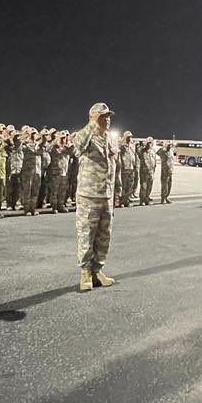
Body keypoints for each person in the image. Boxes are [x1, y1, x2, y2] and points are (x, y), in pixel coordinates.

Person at [73, 102, 119, 292]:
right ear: (93, 117)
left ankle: (97, 271)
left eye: (108, 117)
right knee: (87, 235)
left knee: (103, 236)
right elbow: (77, 145)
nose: (107, 120)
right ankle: (85, 272)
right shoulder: (85, 137)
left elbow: (114, 166)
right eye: (102, 117)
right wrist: (92, 123)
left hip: (106, 195)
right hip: (89, 195)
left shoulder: (111, 139)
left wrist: (116, 191)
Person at [20, 127, 44, 216]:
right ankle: (27, 209)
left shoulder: (38, 145)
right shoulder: (24, 144)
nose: (34, 135)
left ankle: (33, 208)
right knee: (27, 190)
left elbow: (41, 153)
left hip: (37, 170)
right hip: (28, 170)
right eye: (32, 134)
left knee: (35, 190)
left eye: (35, 134)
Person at [49, 131, 72, 213]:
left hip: (65, 173)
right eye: (61, 138)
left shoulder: (67, 149)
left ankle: (61, 205)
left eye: (64, 138)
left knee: (62, 191)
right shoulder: (54, 148)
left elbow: (75, 152)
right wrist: (54, 142)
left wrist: (70, 142)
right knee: (54, 191)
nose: (63, 140)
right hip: (56, 173)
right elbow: (47, 149)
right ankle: (54, 207)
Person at [6, 127, 24, 210]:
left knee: (17, 188)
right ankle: (9, 204)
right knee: (9, 187)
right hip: (10, 168)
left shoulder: (21, 145)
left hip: (19, 168)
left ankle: (14, 203)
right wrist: (10, 142)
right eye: (15, 136)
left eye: (18, 136)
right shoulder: (7, 146)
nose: (17, 138)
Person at [119, 131, 138, 207]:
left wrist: (135, 165)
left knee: (130, 186)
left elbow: (134, 156)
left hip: (131, 168)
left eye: (130, 137)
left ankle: (126, 200)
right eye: (128, 137)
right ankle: (121, 202)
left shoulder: (132, 146)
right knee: (123, 186)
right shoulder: (122, 146)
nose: (130, 138)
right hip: (124, 168)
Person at [138, 137, 157, 205]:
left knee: (149, 186)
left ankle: (147, 198)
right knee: (144, 186)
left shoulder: (153, 151)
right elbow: (137, 152)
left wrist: (154, 169)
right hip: (144, 172)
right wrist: (142, 145)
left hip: (151, 172)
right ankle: (142, 200)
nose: (149, 144)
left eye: (151, 143)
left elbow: (154, 160)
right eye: (148, 143)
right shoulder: (142, 151)